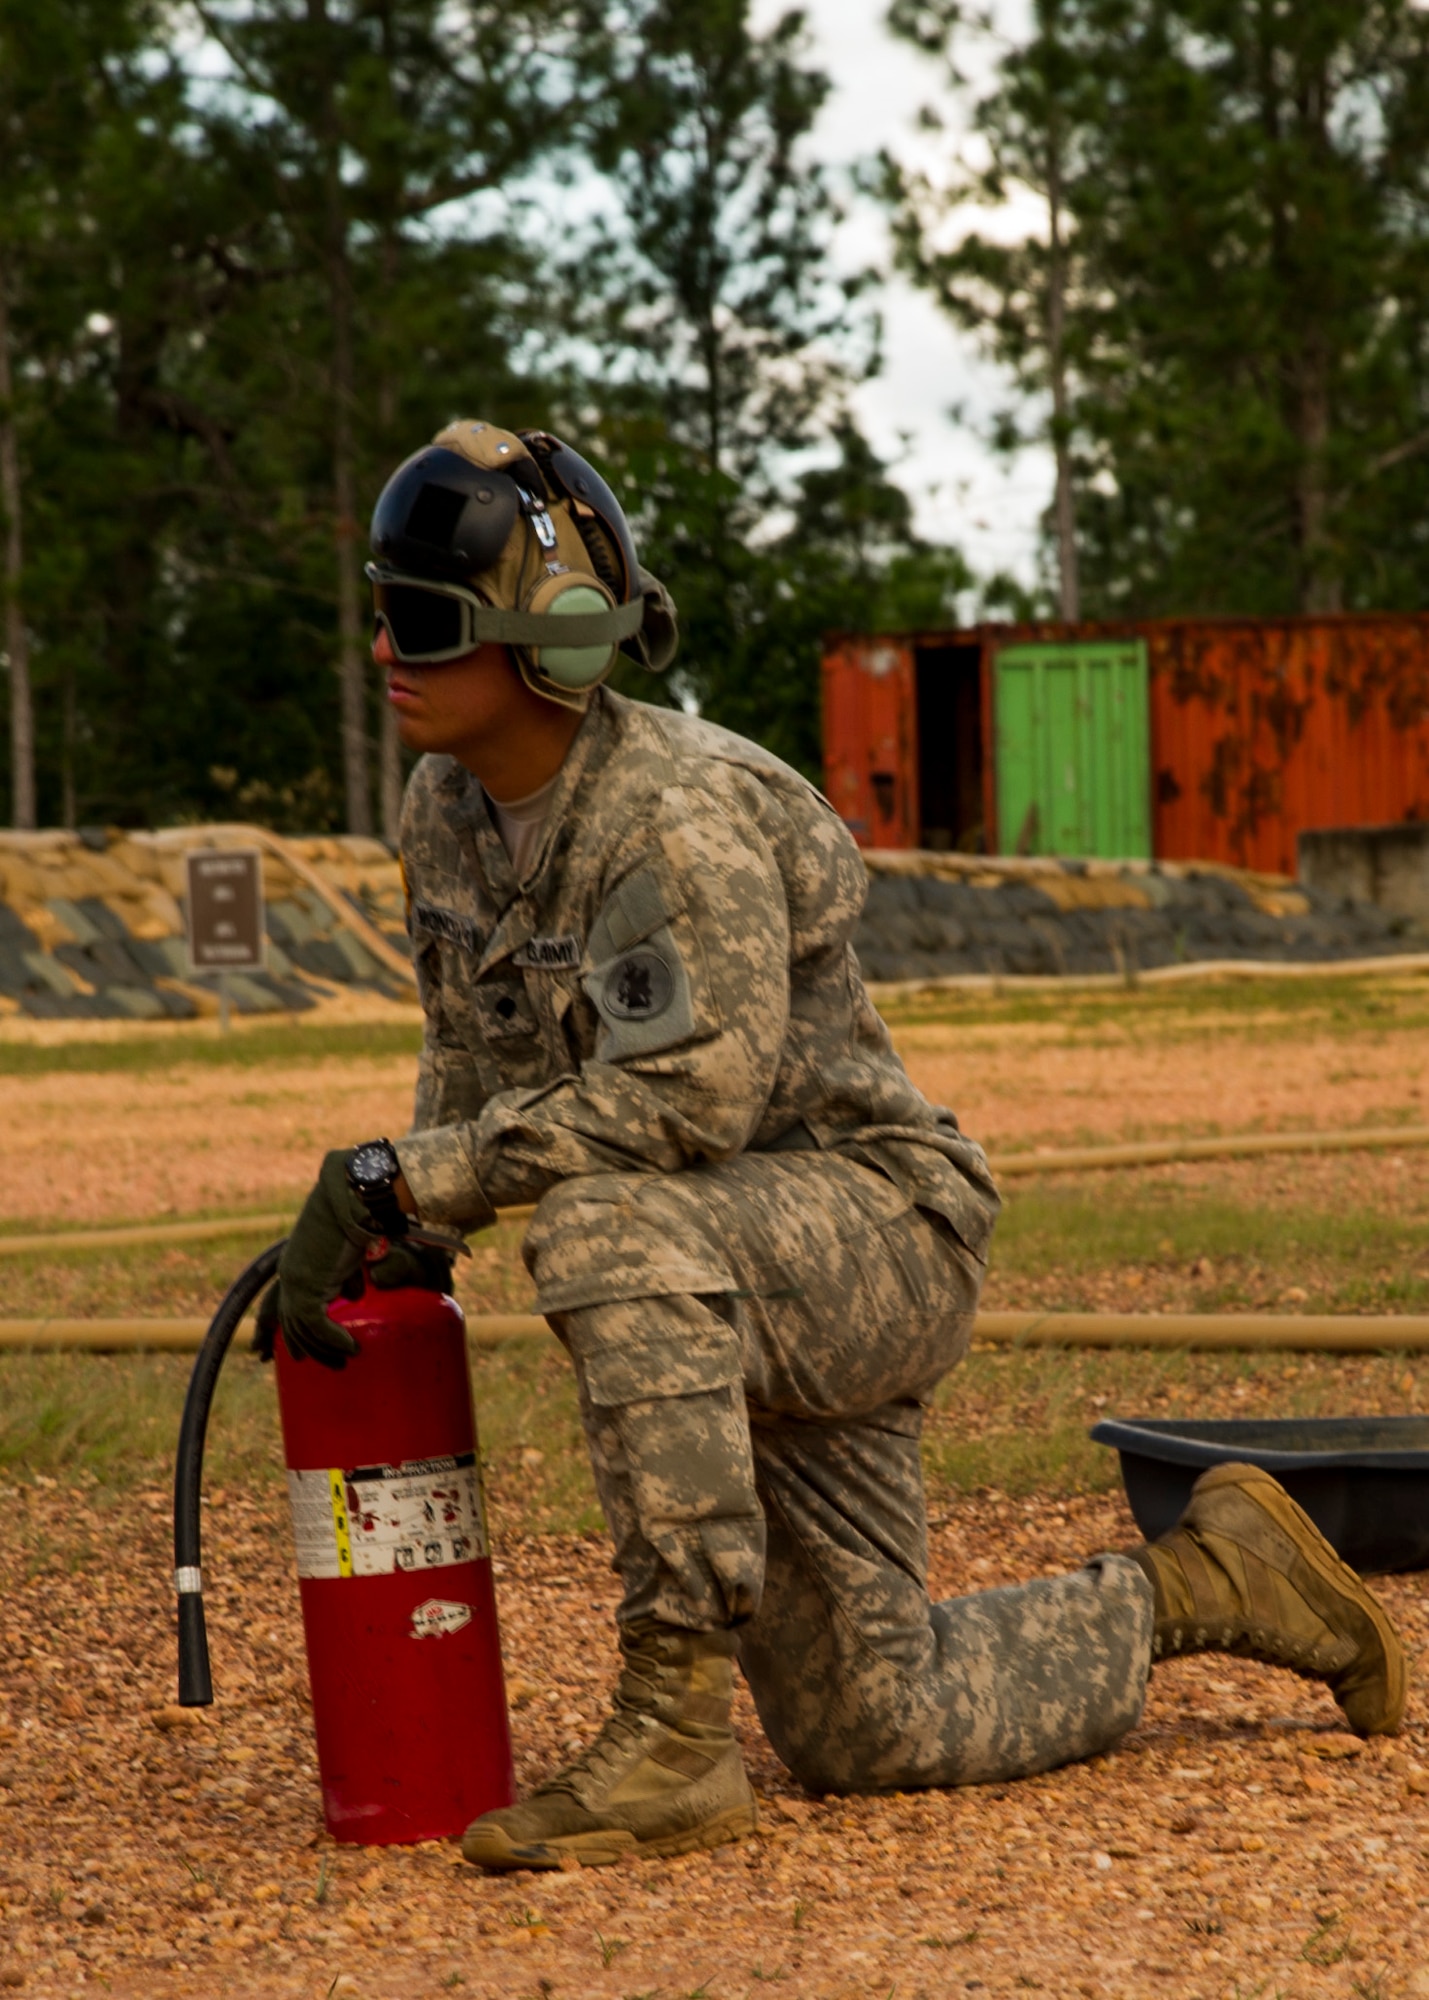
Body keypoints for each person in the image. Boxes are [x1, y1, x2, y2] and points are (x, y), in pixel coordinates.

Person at [270, 420, 1406, 1873]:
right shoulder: (446, 811)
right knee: (875, 1724)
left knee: (607, 1228)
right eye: (381, 612)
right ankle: (1212, 1579)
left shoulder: (675, 816)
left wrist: (403, 1174)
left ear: (547, 640)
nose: (385, 649)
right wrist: (399, 1225)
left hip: (872, 1232)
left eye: (419, 620)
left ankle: (672, 1737)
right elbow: (474, 1056)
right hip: (736, 1267)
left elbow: (684, 1106)